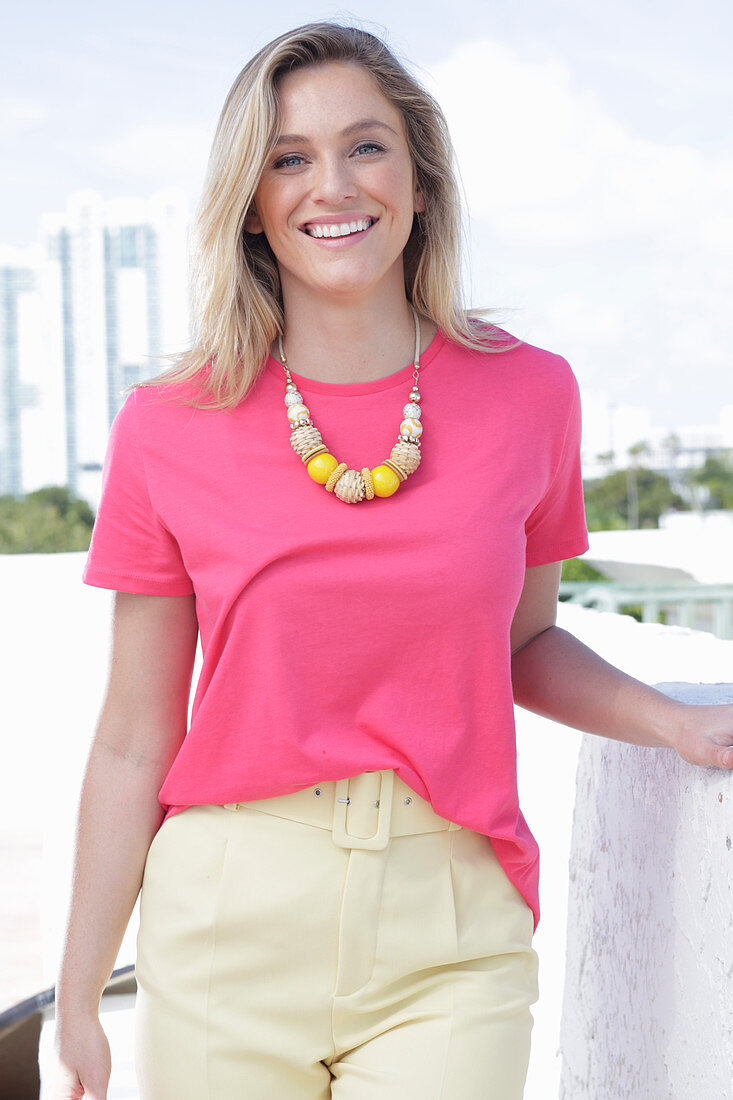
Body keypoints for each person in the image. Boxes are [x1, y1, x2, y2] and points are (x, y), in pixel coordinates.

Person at [50, 20, 733, 1100]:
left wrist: (675, 721)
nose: (332, 183)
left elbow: (526, 642)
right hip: (230, 908)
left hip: (450, 921)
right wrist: (81, 989)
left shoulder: (529, 393)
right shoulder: (168, 423)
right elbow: (136, 737)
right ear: (254, 206)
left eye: (365, 145)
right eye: (288, 157)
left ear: (418, 180)